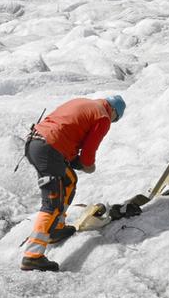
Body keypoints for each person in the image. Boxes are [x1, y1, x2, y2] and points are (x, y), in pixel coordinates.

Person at [20, 95, 125, 272]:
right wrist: (88, 166)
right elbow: (88, 152)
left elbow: (65, 128)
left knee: (69, 181)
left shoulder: (83, 102)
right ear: (114, 111)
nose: (112, 122)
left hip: (35, 144)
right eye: (116, 119)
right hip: (50, 150)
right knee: (52, 202)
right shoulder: (103, 116)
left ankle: (56, 228)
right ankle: (33, 256)